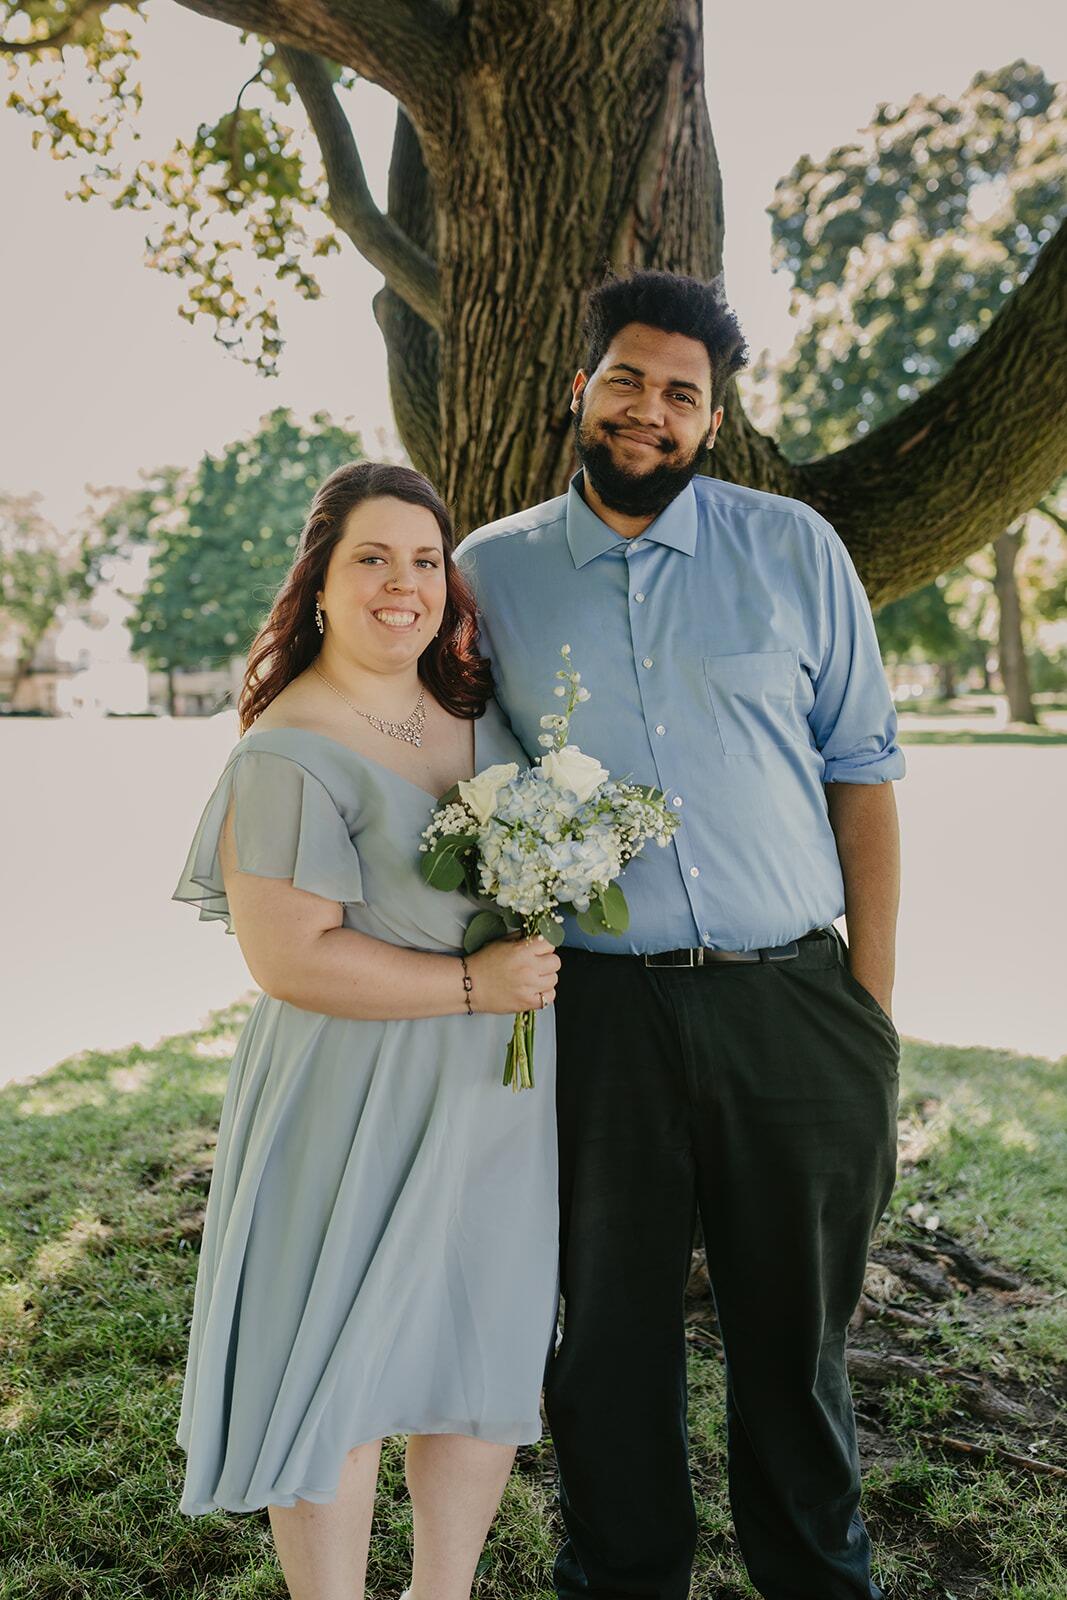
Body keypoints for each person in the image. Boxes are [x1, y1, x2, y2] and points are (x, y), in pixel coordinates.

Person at [455, 270, 905, 1600]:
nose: (647, 410)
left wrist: (865, 1009)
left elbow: (862, 773)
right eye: (625, 379)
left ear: (711, 420)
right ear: (578, 389)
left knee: (795, 1345)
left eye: (678, 393)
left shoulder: (793, 550)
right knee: (603, 1338)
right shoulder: (488, 571)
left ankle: (815, 1581)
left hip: (794, 1008)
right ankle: (621, 1577)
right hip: (599, 1017)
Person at [172, 460, 561, 1600]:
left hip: (492, 1101)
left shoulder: (479, 714)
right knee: (329, 1374)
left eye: (425, 560)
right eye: (372, 558)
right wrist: (474, 987)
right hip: (348, 1097)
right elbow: (289, 957)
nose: (404, 583)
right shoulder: (286, 749)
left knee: (473, 1360)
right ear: (322, 582)